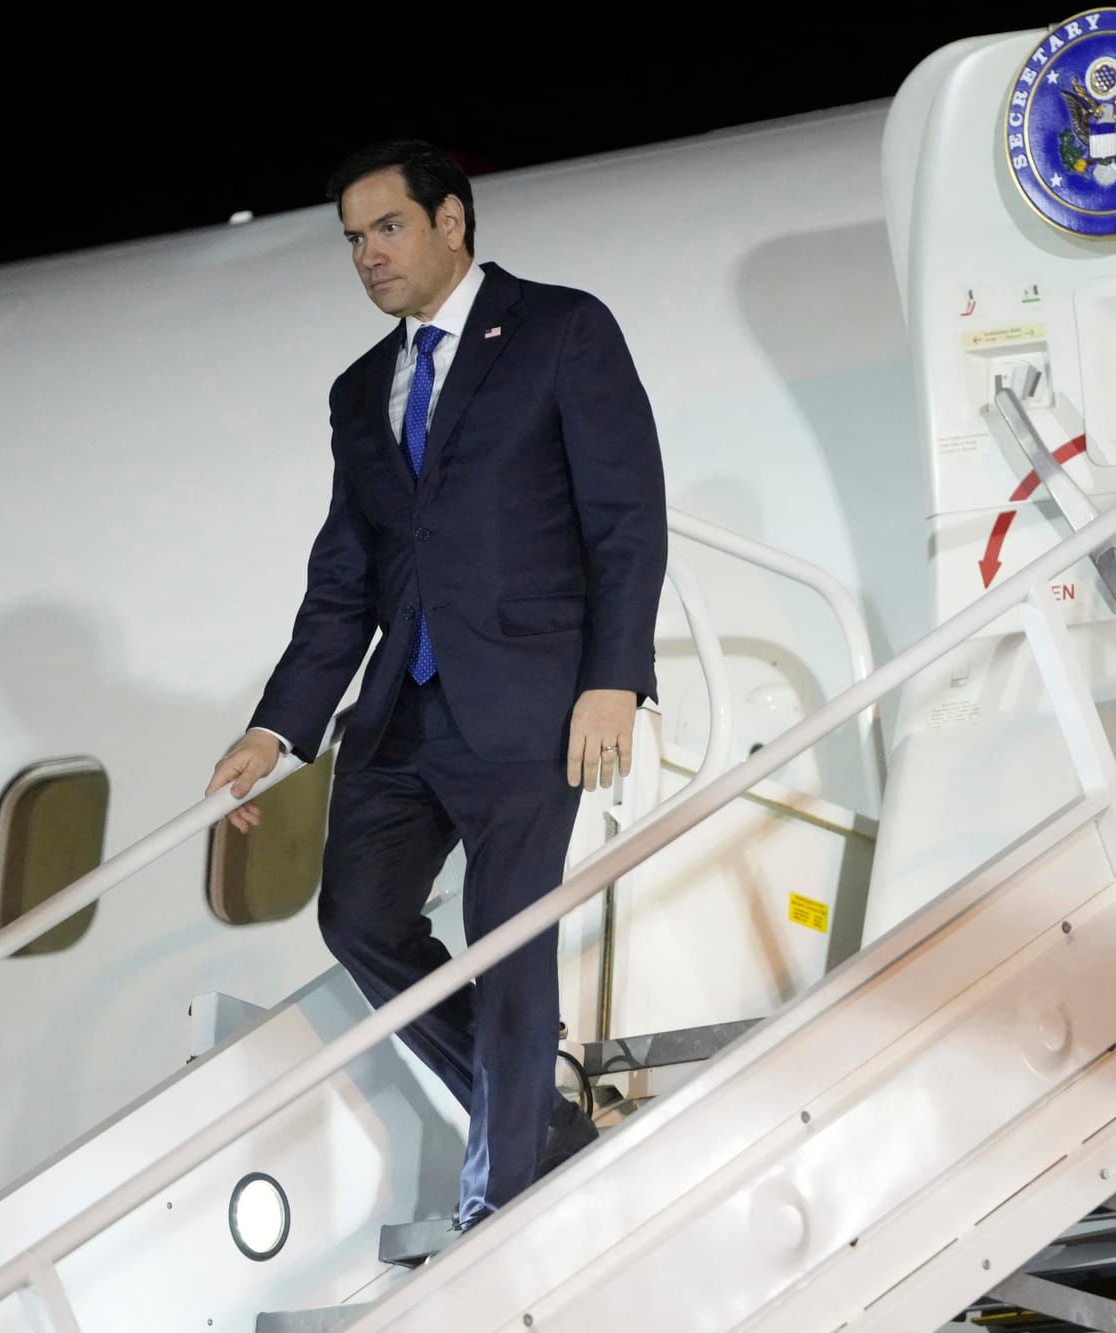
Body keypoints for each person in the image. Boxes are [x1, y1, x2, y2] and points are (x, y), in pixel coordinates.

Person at [205, 139, 667, 1231]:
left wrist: (614, 677)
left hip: (531, 697)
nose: (367, 255)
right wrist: (276, 729)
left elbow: (624, 516)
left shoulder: (559, 330)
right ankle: (532, 1123)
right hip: (402, 712)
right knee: (358, 917)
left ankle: (500, 1189)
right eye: (352, 239)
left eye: (387, 228)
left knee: (505, 937)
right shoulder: (361, 389)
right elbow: (344, 581)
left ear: (450, 222)